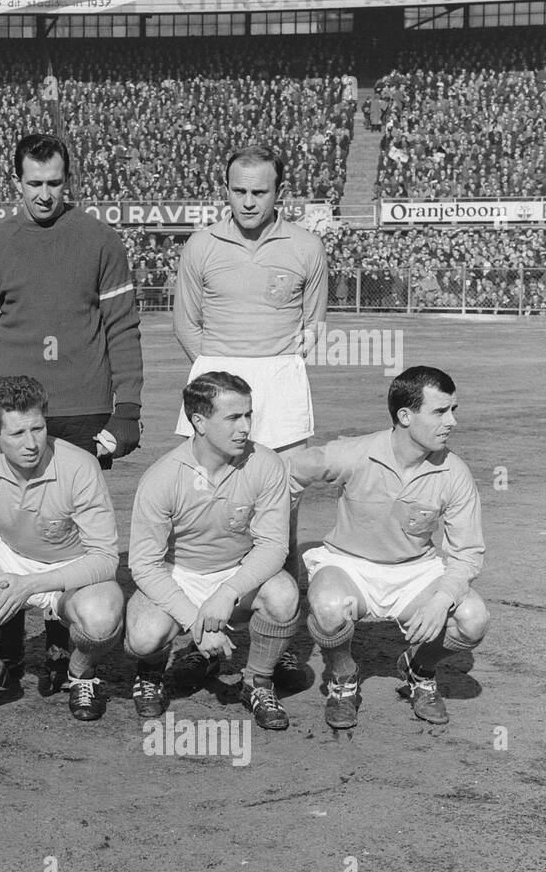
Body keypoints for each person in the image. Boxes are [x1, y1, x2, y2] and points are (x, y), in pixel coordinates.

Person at [0, 133, 142, 677]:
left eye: (54, 182)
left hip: (81, 406)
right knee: (11, 521)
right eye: (33, 183)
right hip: (10, 412)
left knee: (72, 533)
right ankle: (9, 642)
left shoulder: (101, 240)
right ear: (17, 183)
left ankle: (61, 642)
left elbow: (123, 329)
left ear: (69, 181)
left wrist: (126, 410)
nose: (44, 193)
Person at [172, 143, 328, 690]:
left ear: (278, 193)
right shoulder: (200, 245)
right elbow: (186, 324)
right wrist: (220, 374)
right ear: (226, 190)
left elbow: (312, 324)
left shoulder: (307, 246)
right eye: (238, 191)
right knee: (203, 498)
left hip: (281, 377)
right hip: (216, 372)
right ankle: (193, 630)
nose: (247, 201)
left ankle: (275, 634)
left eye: (259, 192)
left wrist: (270, 367)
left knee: (279, 508)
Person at [288, 366, 489, 730]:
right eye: (441, 411)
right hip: (348, 566)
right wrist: (272, 530)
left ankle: (418, 668)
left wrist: (442, 600)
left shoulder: (454, 472)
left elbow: (467, 552)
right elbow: (284, 472)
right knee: (330, 609)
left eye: (453, 409)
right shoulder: (355, 453)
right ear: (405, 416)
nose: (453, 422)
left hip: (415, 571)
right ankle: (343, 677)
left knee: (473, 620)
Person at [0, 376, 124, 721]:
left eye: (37, 428)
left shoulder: (80, 465)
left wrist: (31, 586)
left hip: (72, 568)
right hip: (11, 558)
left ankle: (80, 673)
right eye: (17, 433)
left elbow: (106, 559)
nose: (32, 443)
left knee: (102, 618)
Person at [126, 372, 300, 732]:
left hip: (235, 572)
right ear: (199, 422)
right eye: (233, 418)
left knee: (283, 595)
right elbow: (144, 565)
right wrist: (196, 623)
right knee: (143, 637)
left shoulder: (266, 464)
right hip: (179, 573)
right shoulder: (162, 478)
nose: (245, 427)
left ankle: (257, 682)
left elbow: (273, 546)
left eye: (248, 415)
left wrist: (227, 592)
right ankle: (152, 672)